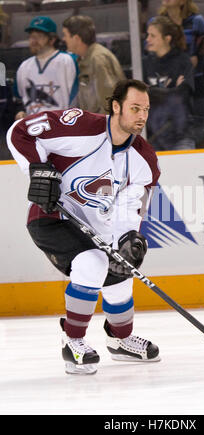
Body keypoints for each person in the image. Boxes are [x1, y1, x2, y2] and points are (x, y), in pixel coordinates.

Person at [6, 79, 161, 375]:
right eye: (134, 108)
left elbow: (132, 206)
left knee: (120, 267)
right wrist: (38, 170)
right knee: (92, 263)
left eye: (146, 110)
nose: (141, 116)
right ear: (116, 107)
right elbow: (20, 131)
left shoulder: (144, 159)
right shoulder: (80, 126)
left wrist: (128, 238)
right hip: (51, 216)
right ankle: (72, 342)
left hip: (96, 225)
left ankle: (121, 340)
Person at [155, 0, 204, 145]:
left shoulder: (196, 21)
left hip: (195, 86)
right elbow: (149, 52)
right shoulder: (157, 24)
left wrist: (198, 59)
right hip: (168, 87)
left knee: (196, 135)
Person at [143, 15, 195, 150]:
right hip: (153, 137)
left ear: (167, 38)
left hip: (181, 135)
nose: (147, 39)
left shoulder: (182, 61)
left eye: (153, 36)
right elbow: (140, 95)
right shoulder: (147, 63)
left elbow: (181, 95)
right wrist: (171, 90)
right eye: (148, 35)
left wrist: (152, 91)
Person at [14, 16, 78, 120]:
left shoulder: (70, 61)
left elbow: (81, 97)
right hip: (33, 129)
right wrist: (20, 112)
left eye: (39, 36)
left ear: (52, 39)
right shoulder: (23, 67)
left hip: (65, 127)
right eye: (31, 36)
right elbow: (19, 100)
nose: (33, 41)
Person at [62, 15, 126, 114]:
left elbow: (109, 103)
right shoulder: (85, 59)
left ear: (76, 38)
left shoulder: (98, 59)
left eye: (65, 35)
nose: (63, 39)